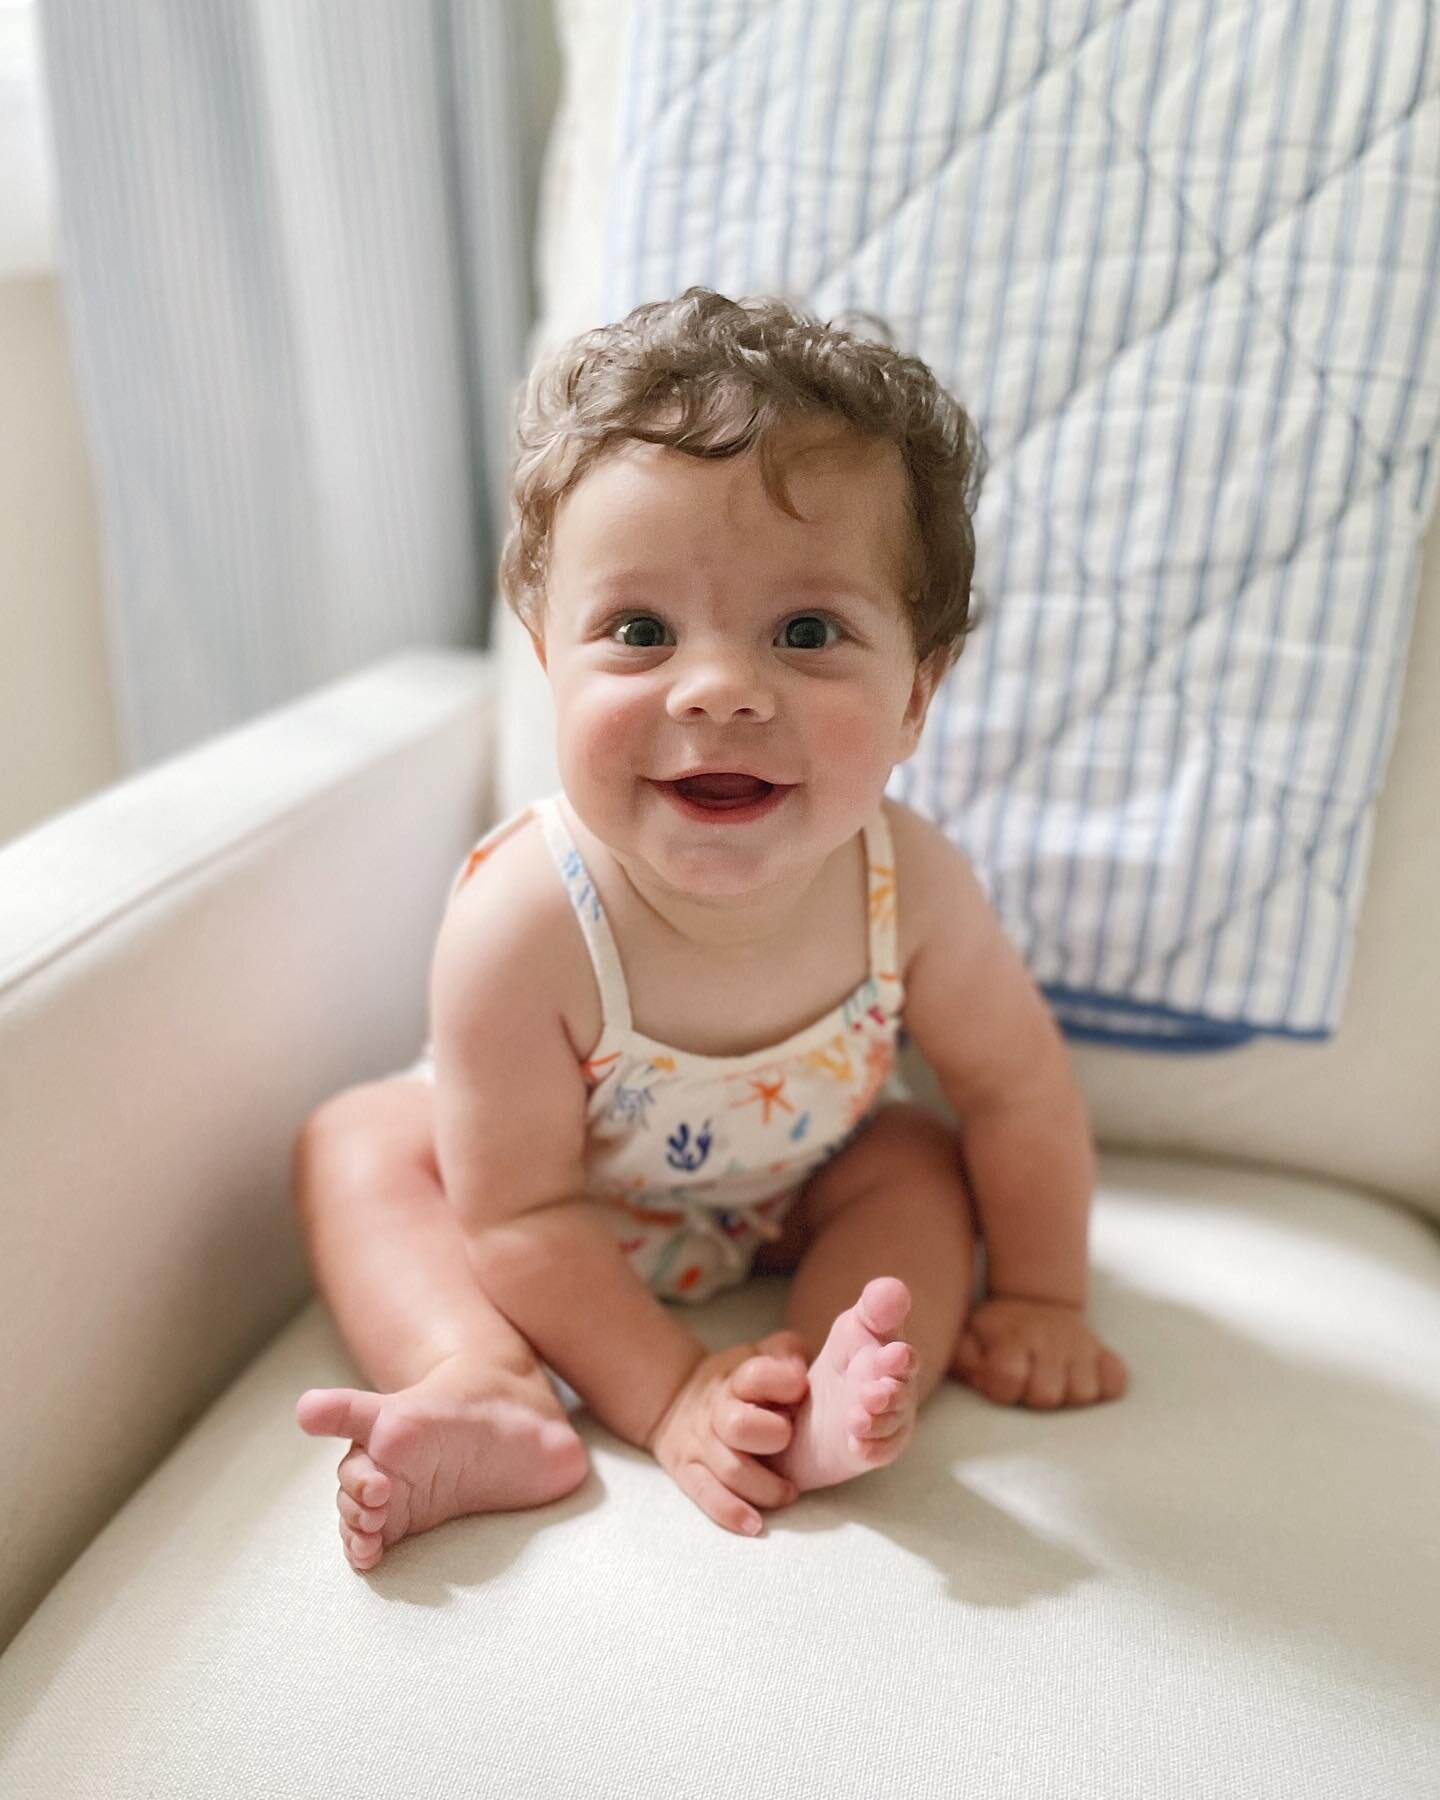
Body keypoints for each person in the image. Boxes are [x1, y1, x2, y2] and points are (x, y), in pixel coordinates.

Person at [293, 288, 1129, 1572]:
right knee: (359, 1146)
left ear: (916, 692)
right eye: (638, 632)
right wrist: (671, 1389)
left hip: (793, 1187)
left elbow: (1016, 1091)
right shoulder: (525, 923)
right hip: (561, 1199)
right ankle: (486, 1382)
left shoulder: (912, 886)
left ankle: (822, 1387)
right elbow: (518, 1213)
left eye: (807, 633)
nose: (722, 688)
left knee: (914, 1159)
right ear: (547, 660)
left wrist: (1040, 1295)